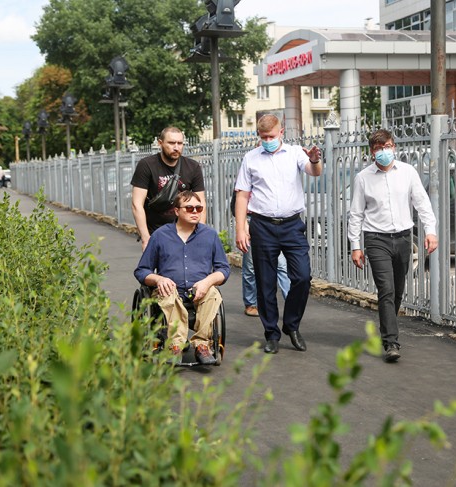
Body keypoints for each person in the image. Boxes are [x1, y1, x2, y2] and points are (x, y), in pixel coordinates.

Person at [347, 129, 438, 363]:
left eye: (386, 146)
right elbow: (356, 214)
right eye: (378, 148)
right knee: (385, 289)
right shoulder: (363, 178)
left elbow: (422, 203)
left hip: (404, 238)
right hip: (376, 239)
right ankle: (391, 342)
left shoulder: (407, 172)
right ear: (371, 152)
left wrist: (430, 231)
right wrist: (355, 245)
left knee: (397, 289)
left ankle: (387, 326)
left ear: (394, 146)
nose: (383, 151)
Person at [234, 114, 322, 354]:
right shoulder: (250, 158)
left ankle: (291, 325)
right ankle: (271, 333)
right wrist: (241, 228)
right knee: (265, 283)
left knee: (302, 277)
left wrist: (314, 160)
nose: (268, 141)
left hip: (292, 225)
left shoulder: (294, 153)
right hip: (261, 225)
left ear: (281, 132)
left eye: (271, 136)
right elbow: (242, 194)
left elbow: (314, 172)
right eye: (263, 137)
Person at [134, 190, 230, 364]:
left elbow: (223, 269)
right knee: (167, 292)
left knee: (213, 293)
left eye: (198, 208)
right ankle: (175, 345)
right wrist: (158, 279)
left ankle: (202, 345)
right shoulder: (160, 236)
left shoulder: (210, 236)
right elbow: (141, 270)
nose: (195, 212)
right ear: (177, 211)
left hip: (199, 291)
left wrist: (207, 282)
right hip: (170, 292)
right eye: (190, 208)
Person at [131, 127, 206, 251]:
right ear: (160, 143)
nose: (176, 147)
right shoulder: (147, 165)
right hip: (156, 232)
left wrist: (200, 234)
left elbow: (201, 202)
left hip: (185, 232)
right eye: (171, 143)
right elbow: (136, 204)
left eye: (180, 143)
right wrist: (146, 238)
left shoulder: (193, 167)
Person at [230, 190, 290, 317]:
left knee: (281, 265)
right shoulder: (247, 174)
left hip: (274, 221)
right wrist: (243, 224)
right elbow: (236, 202)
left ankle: (291, 303)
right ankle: (251, 303)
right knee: (251, 265)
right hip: (252, 220)